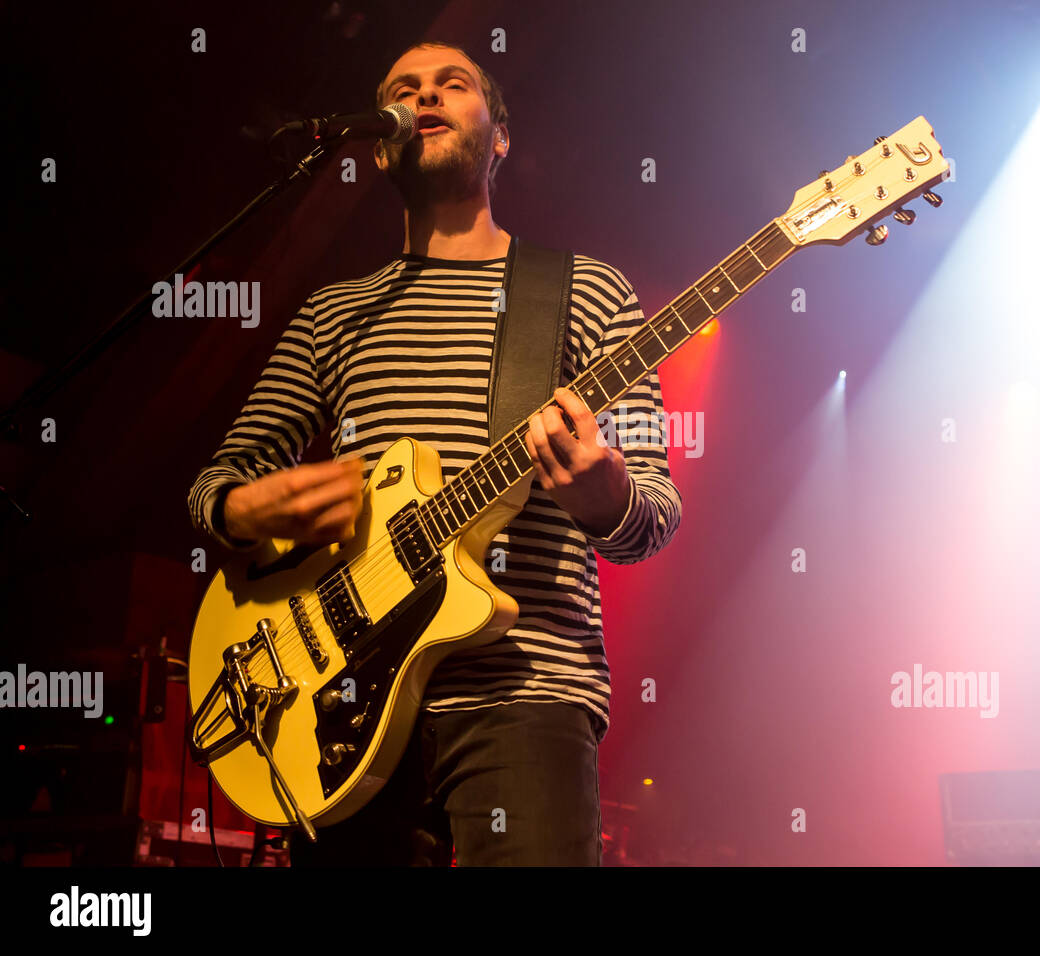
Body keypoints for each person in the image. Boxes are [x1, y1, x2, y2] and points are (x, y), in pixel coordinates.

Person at [186, 40, 682, 865]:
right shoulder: (332, 314)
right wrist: (245, 509)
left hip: (525, 693)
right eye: (403, 91)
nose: (425, 97)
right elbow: (217, 480)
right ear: (379, 146)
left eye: (451, 84)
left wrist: (608, 496)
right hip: (333, 706)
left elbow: (653, 519)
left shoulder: (589, 291)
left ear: (500, 137)